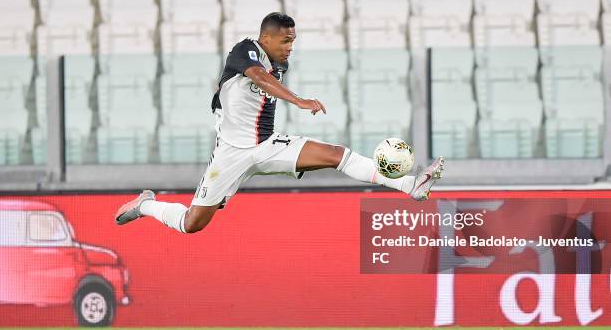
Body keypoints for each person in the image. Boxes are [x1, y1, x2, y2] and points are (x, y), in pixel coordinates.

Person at [114, 12, 444, 234]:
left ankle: (409, 185)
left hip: (267, 146)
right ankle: (146, 205)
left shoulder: (278, 64)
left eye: (293, 41)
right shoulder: (246, 51)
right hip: (230, 154)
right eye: (285, 41)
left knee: (336, 155)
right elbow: (257, 76)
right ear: (266, 38)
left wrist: (221, 100)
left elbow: (237, 93)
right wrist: (299, 100)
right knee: (192, 224)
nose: (290, 47)